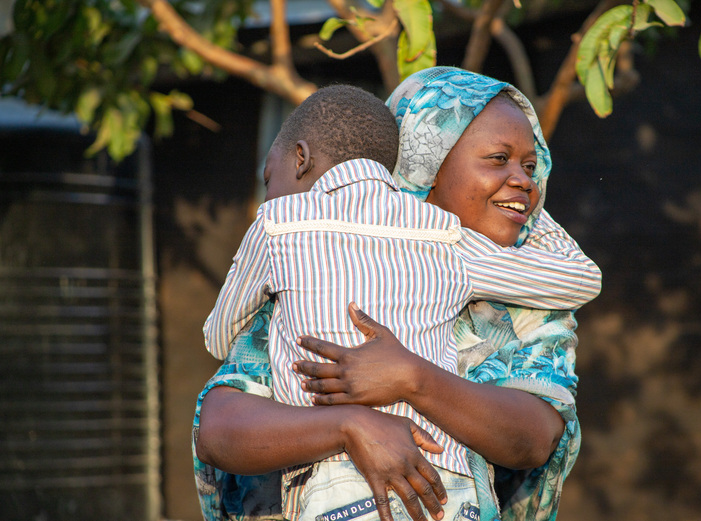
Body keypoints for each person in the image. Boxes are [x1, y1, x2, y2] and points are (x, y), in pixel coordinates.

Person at [194, 70, 600, 521]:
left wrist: (412, 377)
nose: (523, 180)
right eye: (498, 158)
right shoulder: (320, 264)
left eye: (530, 166)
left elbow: (534, 437)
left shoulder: (534, 306)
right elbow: (220, 427)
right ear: (427, 165)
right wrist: (351, 425)